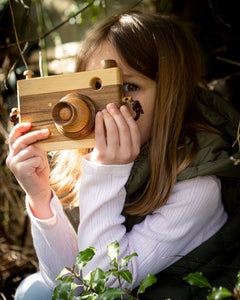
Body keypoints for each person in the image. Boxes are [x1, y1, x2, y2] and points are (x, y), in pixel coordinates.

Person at [6, 9, 240, 300]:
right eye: (96, 87)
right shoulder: (88, 158)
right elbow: (68, 285)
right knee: (34, 290)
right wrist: (41, 197)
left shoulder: (198, 187)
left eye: (129, 87)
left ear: (171, 97)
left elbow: (102, 286)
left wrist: (107, 173)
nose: (107, 108)